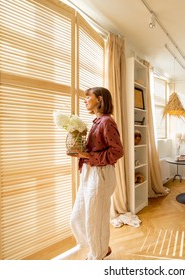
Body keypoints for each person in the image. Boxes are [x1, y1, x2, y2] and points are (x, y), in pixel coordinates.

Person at [69, 87, 124, 260]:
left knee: (95, 218)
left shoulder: (107, 122)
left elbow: (117, 152)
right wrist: (78, 151)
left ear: (99, 99)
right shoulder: (96, 122)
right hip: (89, 173)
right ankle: (101, 247)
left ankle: (97, 255)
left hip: (101, 174)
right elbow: (96, 149)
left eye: (88, 97)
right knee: (77, 218)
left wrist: (88, 155)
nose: (85, 100)